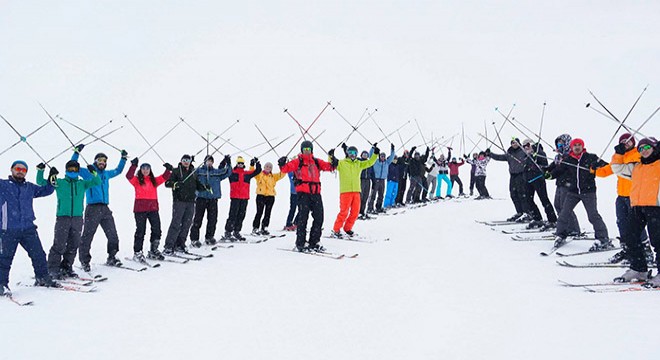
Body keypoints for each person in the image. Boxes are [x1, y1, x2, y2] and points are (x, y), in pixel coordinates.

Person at [0, 160, 59, 294]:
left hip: (28, 229)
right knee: (4, 258)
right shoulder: (3, 185)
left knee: (38, 254)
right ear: (11, 169)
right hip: (8, 230)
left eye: (23, 170)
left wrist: (51, 179)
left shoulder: (29, 187)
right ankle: (1, 284)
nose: (20, 171)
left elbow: (46, 190)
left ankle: (42, 277)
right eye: (17, 168)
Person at [595, 133, 652, 264]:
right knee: (622, 223)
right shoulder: (619, 156)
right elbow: (608, 170)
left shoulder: (637, 154)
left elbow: (623, 168)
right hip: (621, 196)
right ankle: (628, 249)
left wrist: (618, 155)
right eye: (623, 142)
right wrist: (595, 170)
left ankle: (646, 250)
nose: (626, 144)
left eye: (628, 142)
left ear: (633, 142)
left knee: (636, 225)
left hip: (635, 196)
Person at [38, 160, 100, 279]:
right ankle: (53, 269)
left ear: (77, 171)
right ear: (66, 170)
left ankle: (66, 267)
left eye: (75, 170)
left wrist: (93, 172)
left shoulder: (82, 183)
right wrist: (42, 171)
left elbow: (97, 181)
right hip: (63, 218)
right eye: (70, 169)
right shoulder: (60, 182)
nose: (72, 171)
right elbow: (41, 182)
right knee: (59, 244)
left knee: (73, 244)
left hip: (77, 218)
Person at [611, 137, 660, 286]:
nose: (644, 151)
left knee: (657, 241)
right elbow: (617, 168)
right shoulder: (636, 166)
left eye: (647, 148)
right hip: (638, 206)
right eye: (641, 149)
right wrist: (618, 154)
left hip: (655, 207)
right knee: (629, 236)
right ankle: (639, 269)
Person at [73, 144, 127, 270]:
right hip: (92, 208)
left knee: (112, 234)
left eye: (104, 161)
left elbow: (118, 171)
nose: (102, 162)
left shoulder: (106, 174)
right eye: (99, 160)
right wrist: (77, 152)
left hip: (105, 208)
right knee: (88, 235)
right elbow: (74, 167)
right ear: (95, 161)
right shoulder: (88, 173)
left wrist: (123, 158)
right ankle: (84, 261)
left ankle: (112, 256)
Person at [550, 138, 610, 250]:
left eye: (579, 145)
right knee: (564, 214)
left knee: (593, 215)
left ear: (582, 146)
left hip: (588, 192)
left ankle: (603, 238)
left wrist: (596, 167)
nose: (577, 147)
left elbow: (607, 166)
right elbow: (559, 170)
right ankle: (560, 235)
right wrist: (550, 175)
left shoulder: (591, 157)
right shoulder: (568, 159)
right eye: (575, 145)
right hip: (573, 192)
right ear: (571, 147)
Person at [278, 140, 336, 252]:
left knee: (319, 218)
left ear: (311, 150)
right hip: (303, 194)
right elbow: (285, 169)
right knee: (302, 219)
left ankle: (314, 242)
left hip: (316, 194)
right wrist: (282, 163)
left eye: (308, 150)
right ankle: (300, 243)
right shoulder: (297, 162)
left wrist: (333, 162)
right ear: (301, 150)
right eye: (305, 150)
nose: (306, 152)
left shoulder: (316, 162)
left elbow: (329, 167)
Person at [126, 158, 172, 261]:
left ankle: (153, 250)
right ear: (141, 170)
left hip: (153, 209)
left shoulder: (154, 181)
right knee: (140, 231)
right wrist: (133, 166)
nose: (145, 170)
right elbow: (128, 176)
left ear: (150, 170)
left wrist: (168, 169)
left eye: (147, 168)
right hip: (140, 209)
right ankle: (137, 252)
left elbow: (164, 177)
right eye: (143, 168)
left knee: (157, 229)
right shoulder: (137, 181)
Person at [163, 154, 207, 254]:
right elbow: (167, 183)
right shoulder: (176, 171)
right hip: (179, 201)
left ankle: (180, 244)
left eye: (188, 160)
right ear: (181, 161)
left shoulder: (193, 172)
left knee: (187, 224)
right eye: (184, 160)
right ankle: (169, 246)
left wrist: (204, 187)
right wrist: (175, 184)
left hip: (191, 202)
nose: (186, 162)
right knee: (176, 223)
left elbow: (198, 184)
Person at [332, 143, 378, 237]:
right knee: (344, 212)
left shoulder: (359, 164)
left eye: (354, 152)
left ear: (357, 154)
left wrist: (375, 154)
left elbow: (369, 162)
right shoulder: (342, 163)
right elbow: (332, 162)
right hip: (345, 191)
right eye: (350, 152)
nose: (352, 154)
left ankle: (348, 228)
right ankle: (336, 229)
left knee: (355, 212)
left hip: (356, 191)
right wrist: (331, 156)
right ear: (347, 153)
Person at [190, 154, 232, 246]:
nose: (209, 162)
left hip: (213, 199)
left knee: (212, 219)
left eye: (211, 161)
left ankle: (209, 237)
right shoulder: (199, 171)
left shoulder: (216, 172)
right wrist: (191, 162)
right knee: (198, 219)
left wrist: (228, 162)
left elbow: (227, 172)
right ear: (204, 162)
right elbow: (190, 173)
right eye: (207, 161)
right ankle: (194, 239)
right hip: (201, 198)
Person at [544, 134, 581, 234]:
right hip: (560, 184)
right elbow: (552, 167)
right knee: (557, 205)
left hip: (568, 184)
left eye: (561, 143)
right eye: (558, 144)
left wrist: (552, 174)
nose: (559, 145)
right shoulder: (559, 157)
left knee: (565, 207)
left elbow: (562, 169)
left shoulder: (570, 156)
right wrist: (544, 170)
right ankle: (564, 227)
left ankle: (574, 229)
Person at [489, 138, 530, 221]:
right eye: (512, 143)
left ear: (519, 143)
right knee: (513, 194)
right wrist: (490, 154)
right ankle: (519, 212)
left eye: (516, 143)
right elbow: (499, 157)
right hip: (513, 175)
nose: (514, 144)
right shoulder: (509, 153)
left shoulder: (523, 152)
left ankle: (527, 213)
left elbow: (530, 156)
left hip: (521, 175)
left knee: (522, 194)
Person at [520, 139, 557, 229]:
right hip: (528, 180)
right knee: (528, 200)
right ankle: (537, 218)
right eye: (524, 146)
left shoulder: (539, 152)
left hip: (538, 179)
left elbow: (545, 166)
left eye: (528, 145)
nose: (526, 147)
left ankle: (552, 220)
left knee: (544, 199)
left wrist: (535, 163)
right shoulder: (526, 155)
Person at [222, 156, 261, 241]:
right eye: (239, 163)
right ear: (237, 164)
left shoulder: (247, 174)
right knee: (232, 215)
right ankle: (228, 232)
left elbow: (257, 171)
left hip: (244, 197)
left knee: (241, 215)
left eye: (242, 163)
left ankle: (237, 231)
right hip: (235, 197)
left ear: (243, 164)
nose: (240, 165)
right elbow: (223, 169)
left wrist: (256, 163)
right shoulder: (232, 173)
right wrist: (226, 161)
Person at [252, 162, 286, 235]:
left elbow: (282, 174)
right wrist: (252, 165)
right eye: (267, 166)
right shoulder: (259, 174)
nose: (268, 168)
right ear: (264, 167)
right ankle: (255, 228)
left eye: (270, 167)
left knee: (268, 213)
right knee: (259, 212)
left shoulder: (273, 176)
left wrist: (282, 165)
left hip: (270, 196)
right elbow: (252, 172)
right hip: (260, 196)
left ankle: (264, 227)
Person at [368, 143, 395, 213]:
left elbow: (392, 157)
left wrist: (392, 149)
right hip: (376, 179)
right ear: (379, 156)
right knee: (373, 194)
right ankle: (370, 208)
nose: (382, 157)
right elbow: (370, 155)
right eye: (381, 156)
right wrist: (373, 148)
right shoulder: (375, 161)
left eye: (384, 156)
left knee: (381, 194)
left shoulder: (386, 163)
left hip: (383, 180)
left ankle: (378, 207)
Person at [355, 148, 374, 219]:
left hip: (368, 180)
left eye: (366, 155)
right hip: (361, 180)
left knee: (366, 196)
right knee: (360, 196)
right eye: (364, 154)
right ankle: (357, 212)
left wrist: (374, 181)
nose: (365, 156)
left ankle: (362, 211)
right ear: (361, 155)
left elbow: (372, 173)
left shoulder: (369, 163)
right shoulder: (359, 161)